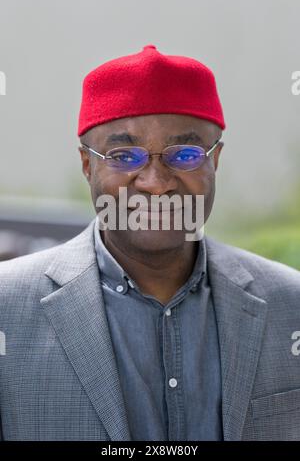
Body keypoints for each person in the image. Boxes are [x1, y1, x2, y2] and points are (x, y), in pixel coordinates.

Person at [1, 45, 300, 441]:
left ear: (216, 160)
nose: (156, 183)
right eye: (124, 156)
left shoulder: (290, 304)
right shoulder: (7, 308)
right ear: (88, 164)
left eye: (186, 154)